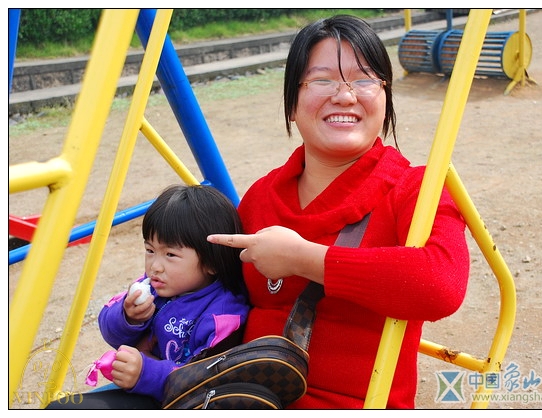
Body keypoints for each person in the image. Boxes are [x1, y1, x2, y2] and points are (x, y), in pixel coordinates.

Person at [207, 15, 470, 409]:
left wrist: (302, 258)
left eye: (364, 80)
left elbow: (440, 284)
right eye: (322, 80)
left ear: (385, 99)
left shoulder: (415, 188)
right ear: (292, 104)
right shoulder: (263, 195)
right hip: (247, 396)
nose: (345, 96)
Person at [47, 184, 250, 409]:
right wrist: (129, 318)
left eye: (170, 254)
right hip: (146, 391)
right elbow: (109, 329)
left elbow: (206, 380)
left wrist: (146, 373)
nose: (155, 266)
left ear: (212, 261)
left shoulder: (223, 316)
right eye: (150, 250)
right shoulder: (154, 285)